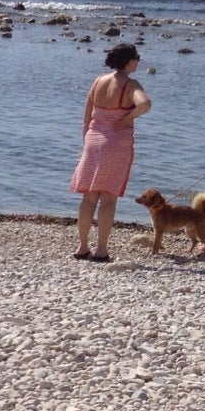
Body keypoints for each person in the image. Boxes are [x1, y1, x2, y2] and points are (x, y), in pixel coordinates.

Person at [69, 43, 151, 261]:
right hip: (116, 143)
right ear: (130, 61)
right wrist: (125, 119)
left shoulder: (98, 82)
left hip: (93, 141)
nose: (138, 62)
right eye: (137, 58)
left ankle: (82, 246)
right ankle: (102, 249)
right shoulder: (131, 84)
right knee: (108, 199)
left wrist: (86, 142)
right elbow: (145, 104)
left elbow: (87, 119)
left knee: (88, 197)